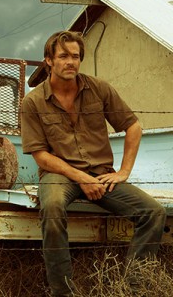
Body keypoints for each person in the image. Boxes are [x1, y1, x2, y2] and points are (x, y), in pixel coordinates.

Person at [21, 30, 166, 296]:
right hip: (59, 173)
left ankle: (134, 288)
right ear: (48, 61)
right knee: (52, 207)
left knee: (153, 212)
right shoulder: (33, 102)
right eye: (63, 56)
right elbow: (41, 155)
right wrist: (80, 177)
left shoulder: (99, 89)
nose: (71, 62)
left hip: (102, 174)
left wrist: (123, 172)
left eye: (75, 56)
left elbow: (133, 126)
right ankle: (62, 292)